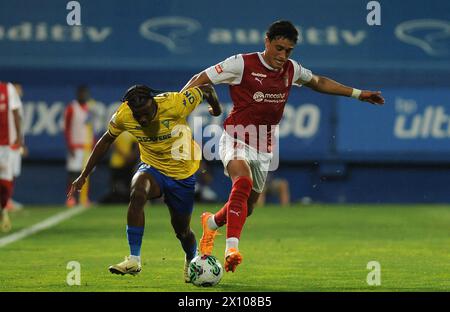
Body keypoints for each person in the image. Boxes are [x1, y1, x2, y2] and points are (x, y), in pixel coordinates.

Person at [181, 20, 385, 273]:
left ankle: (211, 223)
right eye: (278, 48)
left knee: (248, 208)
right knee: (241, 182)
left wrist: (358, 93)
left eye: (288, 51)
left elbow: (318, 81)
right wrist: (176, 107)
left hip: (264, 144)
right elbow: (200, 78)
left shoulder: (291, 69)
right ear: (267, 41)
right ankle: (231, 249)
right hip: (236, 135)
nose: (282, 55)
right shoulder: (241, 63)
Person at [68, 84, 221, 282]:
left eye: (146, 112)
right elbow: (106, 140)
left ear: (152, 102)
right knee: (138, 191)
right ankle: (134, 259)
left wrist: (216, 110)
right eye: (137, 114)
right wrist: (84, 175)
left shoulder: (175, 103)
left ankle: (191, 258)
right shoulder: (124, 114)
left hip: (182, 173)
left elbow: (207, 89)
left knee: (182, 231)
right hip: (153, 166)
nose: (142, 118)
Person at [64, 86, 94, 208]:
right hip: (75, 145)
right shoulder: (72, 108)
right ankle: (70, 198)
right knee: (73, 172)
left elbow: (91, 128)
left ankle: (84, 197)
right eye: (81, 93)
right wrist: (69, 145)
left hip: (87, 146)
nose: (83, 95)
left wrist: (93, 144)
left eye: (85, 93)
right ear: (77, 94)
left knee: (85, 173)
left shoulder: (89, 109)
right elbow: (66, 127)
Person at [0, 81, 24, 232]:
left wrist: (19, 138)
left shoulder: (7, 89)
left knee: (5, 182)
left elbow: (16, 114)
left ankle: (3, 210)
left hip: (6, 146)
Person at [99, 131, 139, 204]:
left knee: (128, 184)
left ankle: (126, 201)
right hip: (116, 163)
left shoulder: (132, 129)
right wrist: (125, 156)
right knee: (116, 185)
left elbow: (137, 144)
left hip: (128, 164)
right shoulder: (117, 129)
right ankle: (116, 201)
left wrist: (132, 156)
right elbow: (114, 144)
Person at [6, 83, 27, 211]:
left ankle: (7, 199)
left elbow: (20, 128)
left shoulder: (19, 106)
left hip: (16, 145)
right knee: (6, 175)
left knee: (13, 174)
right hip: (8, 145)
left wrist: (22, 144)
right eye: (17, 88)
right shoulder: (7, 106)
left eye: (20, 88)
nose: (20, 91)